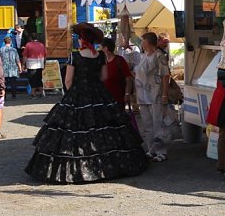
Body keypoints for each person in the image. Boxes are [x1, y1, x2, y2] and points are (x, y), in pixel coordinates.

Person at [25, 23, 147, 184]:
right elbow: (103, 77)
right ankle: (109, 167)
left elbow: (68, 81)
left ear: (82, 40)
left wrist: (73, 95)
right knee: (107, 130)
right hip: (99, 94)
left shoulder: (74, 56)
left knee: (73, 131)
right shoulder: (101, 56)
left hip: (79, 94)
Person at [134, 32, 171, 162]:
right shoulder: (142, 56)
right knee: (147, 124)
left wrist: (165, 93)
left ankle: (161, 151)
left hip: (155, 93)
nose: (141, 44)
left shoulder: (160, 56)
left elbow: (165, 76)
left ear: (148, 42)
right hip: (142, 94)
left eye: (143, 41)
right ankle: (151, 149)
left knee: (158, 123)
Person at [100, 38, 133, 107]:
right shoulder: (101, 61)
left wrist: (127, 94)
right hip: (104, 99)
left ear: (106, 48)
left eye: (100, 47)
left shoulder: (119, 60)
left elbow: (128, 78)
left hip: (118, 98)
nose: (99, 50)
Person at [23, 34, 47, 98]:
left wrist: (23, 64)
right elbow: (45, 55)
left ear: (31, 38)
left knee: (32, 79)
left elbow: (25, 56)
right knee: (39, 79)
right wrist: (44, 64)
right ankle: (41, 93)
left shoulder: (28, 45)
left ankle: (33, 94)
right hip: (40, 64)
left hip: (31, 65)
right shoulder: (41, 45)